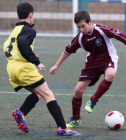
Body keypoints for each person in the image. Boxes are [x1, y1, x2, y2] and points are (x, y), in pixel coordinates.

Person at [50, 10, 126, 128]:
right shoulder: (80, 38)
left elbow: (119, 34)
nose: (81, 29)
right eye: (79, 27)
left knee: (111, 74)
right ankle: (75, 118)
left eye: (83, 26)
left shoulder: (101, 30)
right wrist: (57, 65)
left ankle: (93, 100)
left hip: (108, 59)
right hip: (92, 63)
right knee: (78, 91)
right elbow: (68, 50)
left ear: (90, 22)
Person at [3, 2, 80, 136]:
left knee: (39, 94)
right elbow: (22, 43)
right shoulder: (29, 30)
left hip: (11, 68)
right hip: (23, 69)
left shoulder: (14, 31)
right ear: (31, 15)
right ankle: (62, 128)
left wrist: (29, 56)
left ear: (18, 15)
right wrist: (36, 61)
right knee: (48, 95)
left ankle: (20, 113)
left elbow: (14, 47)